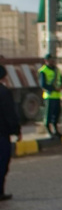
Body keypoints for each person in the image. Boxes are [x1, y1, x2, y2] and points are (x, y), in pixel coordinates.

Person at [0, 65, 19, 201]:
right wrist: (16, 130)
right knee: (2, 163)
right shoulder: (4, 92)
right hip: (2, 134)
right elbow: (10, 114)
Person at [38, 53, 62, 137]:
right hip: (49, 96)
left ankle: (56, 130)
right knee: (48, 114)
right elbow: (43, 84)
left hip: (57, 95)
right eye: (50, 60)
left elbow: (60, 80)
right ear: (46, 61)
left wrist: (61, 86)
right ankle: (49, 130)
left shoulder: (57, 70)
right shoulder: (43, 70)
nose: (52, 61)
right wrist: (54, 88)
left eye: (53, 60)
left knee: (56, 113)